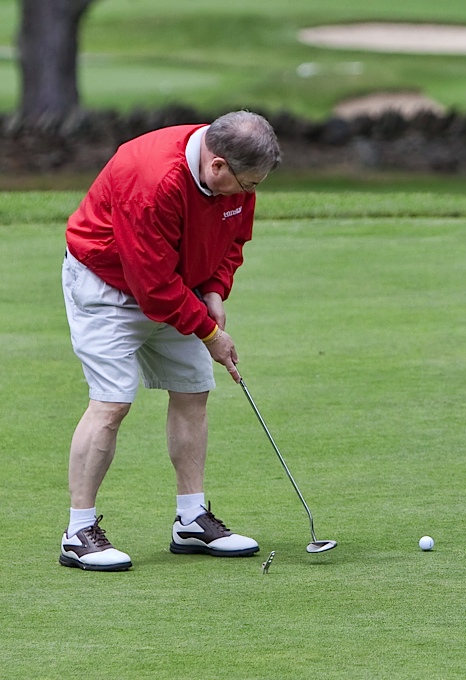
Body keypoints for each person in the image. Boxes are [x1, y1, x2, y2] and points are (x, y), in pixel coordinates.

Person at [59, 110, 282, 571]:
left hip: (176, 285)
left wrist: (215, 290)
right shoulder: (154, 180)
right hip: (105, 286)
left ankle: (191, 519)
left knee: (192, 391)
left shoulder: (236, 178)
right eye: (248, 183)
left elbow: (233, 239)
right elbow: (153, 287)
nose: (251, 192)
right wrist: (211, 334)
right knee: (112, 401)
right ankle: (78, 532)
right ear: (217, 165)